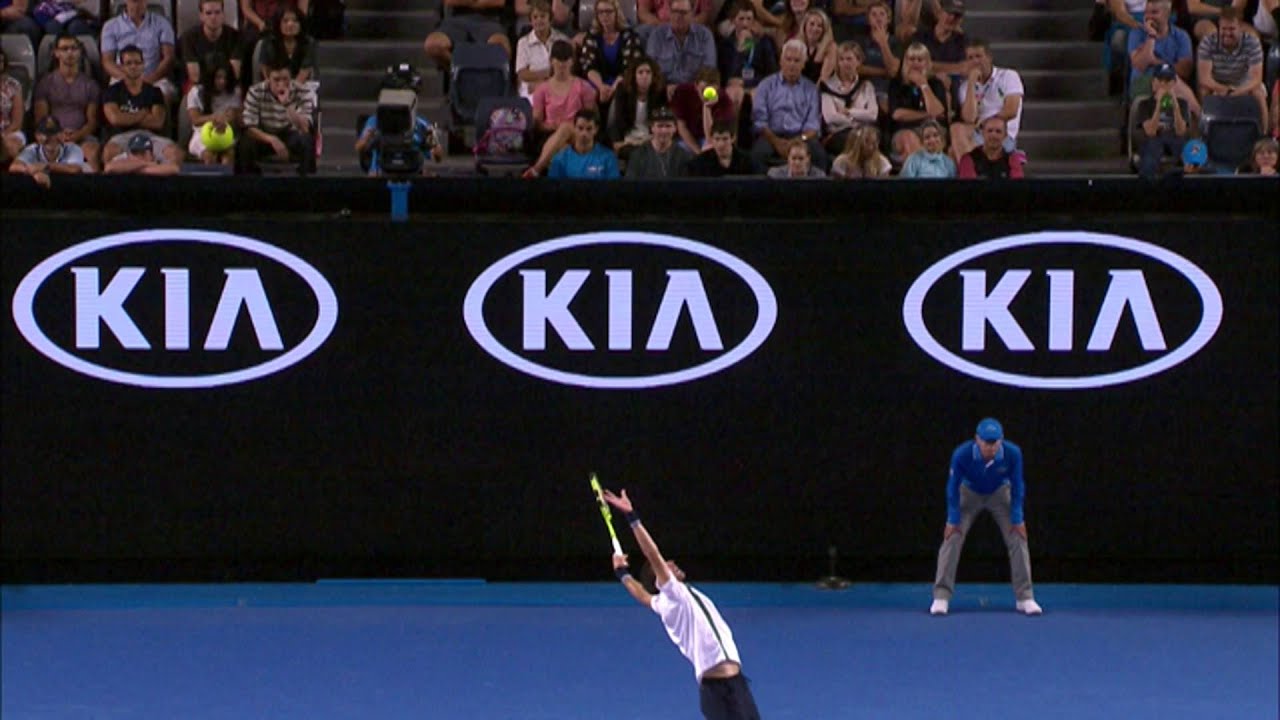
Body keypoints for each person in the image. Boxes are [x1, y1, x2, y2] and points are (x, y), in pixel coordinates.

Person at [602, 486, 762, 720]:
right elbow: (652, 553)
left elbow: (642, 595)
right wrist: (632, 517)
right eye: (667, 567)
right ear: (660, 580)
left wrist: (622, 574)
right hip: (720, 690)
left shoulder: (664, 603)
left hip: (733, 684)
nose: (672, 564)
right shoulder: (674, 595)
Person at [931, 418, 1042, 617]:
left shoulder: (1013, 453)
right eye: (986, 442)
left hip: (999, 492)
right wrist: (952, 519)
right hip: (969, 492)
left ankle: (1025, 597)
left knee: (1018, 536)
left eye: (995, 442)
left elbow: (1018, 486)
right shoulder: (962, 454)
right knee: (952, 536)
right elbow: (952, 488)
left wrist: (1017, 518)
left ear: (1001, 441)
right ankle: (941, 595)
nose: (990, 447)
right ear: (977, 440)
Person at [523, 39, 598, 177]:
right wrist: (554, 127)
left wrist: (568, 127)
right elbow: (538, 123)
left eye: (566, 60)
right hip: (550, 135)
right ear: (552, 61)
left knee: (566, 127)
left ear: (572, 62)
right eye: (558, 59)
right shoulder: (542, 89)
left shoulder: (583, 87)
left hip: (579, 134)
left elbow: (590, 119)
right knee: (562, 147)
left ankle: (537, 169)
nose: (562, 64)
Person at [750, 38, 825, 169]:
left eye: (796, 61)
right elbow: (759, 121)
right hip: (771, 135)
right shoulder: (766, 85)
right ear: (781, 61)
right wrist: (776, 142)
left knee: (820, 156)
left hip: (801, 136)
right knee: (757, 156)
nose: (792, 64)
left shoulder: (811, 89)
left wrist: (799, 141)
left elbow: (813, 125)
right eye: (788, 59)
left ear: (803, 64)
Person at [33, 33, 101, 171]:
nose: (70, 52)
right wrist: (56, 135)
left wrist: (77, 135)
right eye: (64, 49)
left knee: (91, 151)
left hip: (82, 136)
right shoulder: (45, 83)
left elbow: (92, 121)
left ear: (80, 52)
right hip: (50, 135)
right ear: (56, 53)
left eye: (73, 48)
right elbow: (41, 119)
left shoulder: (91, 85)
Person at [950, 37, 1022, 162]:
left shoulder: (1008, 76)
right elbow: (969, 118)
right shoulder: (965, 87)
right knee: (956, 129)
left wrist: (985, 123)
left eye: (978, 56)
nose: (975, 62)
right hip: (978, 133)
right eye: (970, 58)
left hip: (1001, 133)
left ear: (989, 57)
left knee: (954, 151)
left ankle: (974, 174)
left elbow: (1011, 110)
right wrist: (972, 83)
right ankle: (974, 175)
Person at [238, 59, 316, 173]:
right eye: (276, 80)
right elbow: (249, 127)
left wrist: (287, 104)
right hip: (265, 134)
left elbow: (305, 128)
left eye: (285, 79)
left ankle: (306, 184)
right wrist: (271, 139)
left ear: (291, 79)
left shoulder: (302, 91)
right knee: (245, 143)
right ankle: (249, 184)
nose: (281, 84)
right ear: (268, 79)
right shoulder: (255, 91)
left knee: (306, 141)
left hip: (290, 134)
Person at [1196, 8, 1267, 133]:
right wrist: (1222, 89)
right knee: (1203, 90)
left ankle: (1264, 134)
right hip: (1217, 83)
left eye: (1232, 29)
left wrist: (1238, 91)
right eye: (1224, 29)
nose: (1227, 33)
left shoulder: (1252, 43)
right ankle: (1204, 133)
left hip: (1243, 83)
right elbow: (1204, 78)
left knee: (1259, 93)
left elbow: (1256, 79)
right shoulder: (1208, 42)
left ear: (1240, 28)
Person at [101, 0, 179, 105]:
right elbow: (107, 61)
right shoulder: (110, 26)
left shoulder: (162, 23)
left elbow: (168, 58)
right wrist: (127, 79)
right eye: (134, 1)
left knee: (163, 95)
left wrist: (150, 79)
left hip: (154, 77)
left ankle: (158, 120)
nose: (137, 6)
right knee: (112, 98)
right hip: (122, 77)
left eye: (140, 1)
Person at [1134, 62, 1190, 178]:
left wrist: (1175, 105)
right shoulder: (1144, 104)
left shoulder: (1182, 104)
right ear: (1153, 82)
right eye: (1160, 80)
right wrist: (1159, 104)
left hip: (1175, 139)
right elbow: (1151, 132)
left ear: (1174, 83)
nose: (1164, 85)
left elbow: (1181, 131)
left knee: (1190, 155)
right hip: (1154, 140)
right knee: (1150, 154)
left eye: (1168, 81)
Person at [644, 0, 718, 86]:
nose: (678, 16)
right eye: (674, 12)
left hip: (695, 91)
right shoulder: (657, 35)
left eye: (683, 12)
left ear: (692, 14)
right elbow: (650, 69)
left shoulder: (705, 36)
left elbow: (709, 71)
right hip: (664, 91)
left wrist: (688, 91)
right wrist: (664, 88)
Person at [9, 115, 93, 187]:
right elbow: (14, 166)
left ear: (62, 134)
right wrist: (33, 172)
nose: (52, 138)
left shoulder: (72, 148)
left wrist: (46, 167)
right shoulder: (32, 149)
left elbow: (74, 169)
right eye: (46, 134)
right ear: (37, 136)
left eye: (55, 133)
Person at [179, 0, 243, 87]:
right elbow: (194, 76)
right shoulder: (189, 37)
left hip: (227, 85)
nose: (213, 17)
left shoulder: (235, 36)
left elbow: (235, 73)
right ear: (201, 16)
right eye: (208, 13)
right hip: (199, 86)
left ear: (223, 14)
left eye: (217, 12)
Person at [515, 0, 568, 99]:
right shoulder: (523, 43)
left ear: (550, 19)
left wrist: (545, 83)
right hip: (531, 87)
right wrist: (548, 74)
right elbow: (522, 74)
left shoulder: (562, 40)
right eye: (535, 17)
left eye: (543, 16)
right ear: (530, 21)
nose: (539, 20)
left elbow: (567, 69)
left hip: (558, 84)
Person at [546, 108, 619, 177]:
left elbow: (614, 188)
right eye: (580, 128)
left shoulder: (608, 158)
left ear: (596, 130)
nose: (584, 133)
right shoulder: (560, 159)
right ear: (574, 128)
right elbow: (553, 188)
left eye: (589, 129)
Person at [624, 105, 691, 177]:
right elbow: (630, 185)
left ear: (675, 128)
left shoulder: (683, 156)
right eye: (660, 126)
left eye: (668, 126)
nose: (664, 130)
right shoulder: (638, 155)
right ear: (652, 128)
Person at [956, 115, 1023, 178]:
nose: (993, 135)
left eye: (998, 131)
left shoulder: (1012, 160)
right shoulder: (968, 159)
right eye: (990, 131)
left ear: (1005, 136)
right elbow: (967, 188)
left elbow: (1018, 187)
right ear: (982, 133)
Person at [686, 117, 757, 174]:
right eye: (717, 139)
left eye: (725, 139)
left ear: (733, 138)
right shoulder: (700, 162)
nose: (721, 144)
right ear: (711, 139)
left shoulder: (746, 161)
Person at [104, 130, 181, 174]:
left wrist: (133, 169)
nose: (139, 157)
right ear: (129, 154)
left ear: (151, 154)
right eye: (135, 153)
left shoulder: (157, 160)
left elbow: (174, 168)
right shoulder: (124, 158)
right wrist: (145, 164)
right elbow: (109, 167)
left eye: (142, 153)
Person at [0, 47, 24, 160]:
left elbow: (17, 122)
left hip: (10, 131)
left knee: (11, 146)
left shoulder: (13, 85)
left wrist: (3, 135)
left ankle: (18, 173)